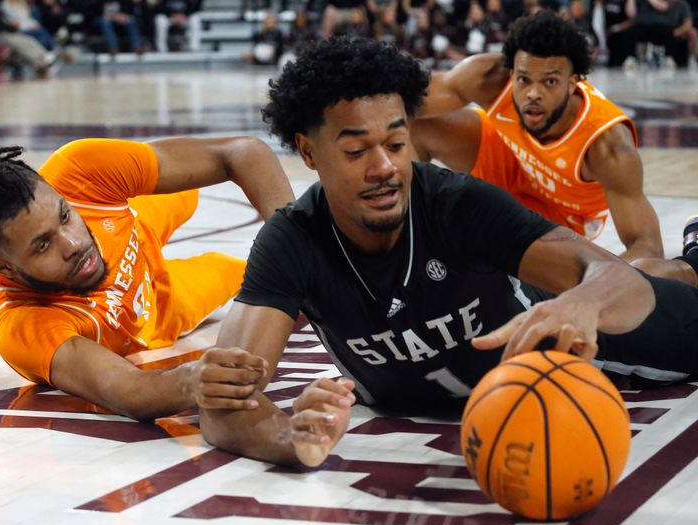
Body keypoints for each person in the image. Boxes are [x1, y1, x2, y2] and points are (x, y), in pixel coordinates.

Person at [197, 36, 698, 467]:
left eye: (396, 144)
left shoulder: (456, 204)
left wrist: (582, 303)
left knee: (661, 282)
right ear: (308, 152)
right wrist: (287, 438)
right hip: (492, 397)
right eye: (356, 151)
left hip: (612, 347)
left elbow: (612, 278)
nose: (384, 168)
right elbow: (224, 407)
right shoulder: (293, 240)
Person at [0, 121, 294, 420]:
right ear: (5, 267)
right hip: (157, 307)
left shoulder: (80, 171)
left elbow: (243, 153)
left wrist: (303, 251)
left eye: (65, 216)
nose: (73, 243)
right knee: (234, 272)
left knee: (191, 191)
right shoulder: (20, 325)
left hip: (132, 217)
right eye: (43, 244)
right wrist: (193, 380)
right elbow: (128, 390)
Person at [411, 11, 663, 262]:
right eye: (524, 79)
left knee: (499, 256)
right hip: (509, 158)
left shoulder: (607, 145)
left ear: (573, 82)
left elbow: (647, 248)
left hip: (560, 213)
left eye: (550, 82)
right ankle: (406, 240)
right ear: (511, 73)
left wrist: (600, 282)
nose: (533, 93)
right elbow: (403, 99)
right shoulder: (488, 78)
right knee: (419, 125)